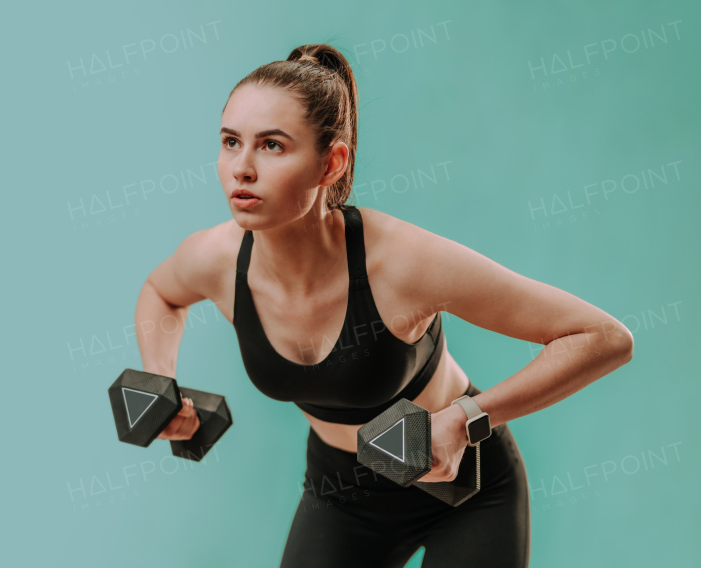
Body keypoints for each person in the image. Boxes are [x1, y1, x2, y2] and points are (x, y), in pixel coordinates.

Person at [133, 44, 634, 567]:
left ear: (332, 162)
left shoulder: (402, 263)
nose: (242, 168)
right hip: (341, 493)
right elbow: (161, 293)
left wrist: (465, 420)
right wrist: (161, 382)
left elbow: (603, 337)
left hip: (465, 489)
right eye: (231, 142)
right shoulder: (213, 258)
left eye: (272, 146)